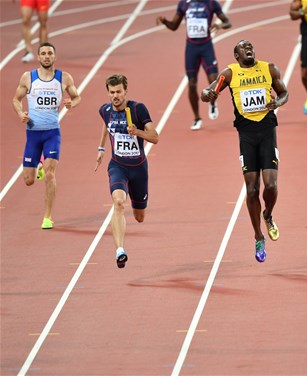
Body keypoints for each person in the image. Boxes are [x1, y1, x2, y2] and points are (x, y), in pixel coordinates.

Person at [201, 40, 289, 263]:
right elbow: (207, 91)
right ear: (236, 55)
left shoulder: (269, 68)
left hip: (267, 131)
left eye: (250, 45)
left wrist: (277, 103)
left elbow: (284, 93)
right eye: (243, 47)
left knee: (271, 185)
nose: (248, 47)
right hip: (247, 136)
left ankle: (268, 214)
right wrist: (207, 94)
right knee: (251, 190)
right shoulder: (230, 74)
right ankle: (259, 236)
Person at [12, 42, 81, 229]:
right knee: (29, 180)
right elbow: (16, 99)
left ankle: (48, 217)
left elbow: (77, 96)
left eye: (50, 53)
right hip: (33, 134)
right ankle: (39, 163)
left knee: (50, 175)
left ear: (55, 57)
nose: (46, 56)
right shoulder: (28, 77)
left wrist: (71, 103)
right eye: (43, 53)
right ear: (39, 57)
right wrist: (20, 113)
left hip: (52, 133)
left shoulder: (64, 78)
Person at [95, 74, 159, 268]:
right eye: (112, 92)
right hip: (118, 166)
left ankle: (137, 204)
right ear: (108, 92)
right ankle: (119, 251)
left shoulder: (138, 109)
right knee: (118, 202)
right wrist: (101, 148)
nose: (115, 96)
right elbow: (106, 127)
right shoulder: (104, 110)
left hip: (138, 169)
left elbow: (155, 137)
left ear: (125, 91)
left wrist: (137, 132)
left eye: (119, 92)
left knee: (140, 217)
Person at [156, 0, 231, 131]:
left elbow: (228, 22)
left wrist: (220, 26)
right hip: (192, 48)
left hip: (206, 46)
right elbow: (174, 26)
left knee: (213, 79)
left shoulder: (211, 3)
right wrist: (165, 21)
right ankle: (197, 118)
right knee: (191, 83)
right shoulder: (184, 4)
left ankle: (213, 102)